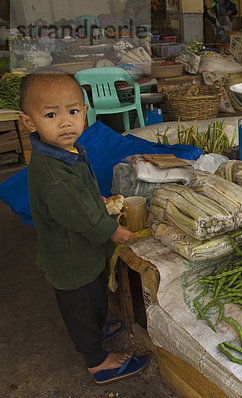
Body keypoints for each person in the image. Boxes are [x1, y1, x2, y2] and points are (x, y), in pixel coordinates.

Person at [18, 70, 148, 385]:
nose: (65, 122)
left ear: (85, 112)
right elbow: (78, 216)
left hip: (82, 255)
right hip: (70, 261)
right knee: (82, 307)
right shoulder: (53, 175)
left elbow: (81, 194)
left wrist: (97, 198)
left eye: (72, 112)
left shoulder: (68, 150)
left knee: (95, 300)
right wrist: (112, 230)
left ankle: (95, 327)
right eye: (51, 114)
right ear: (29, 122)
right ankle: (97, 360)